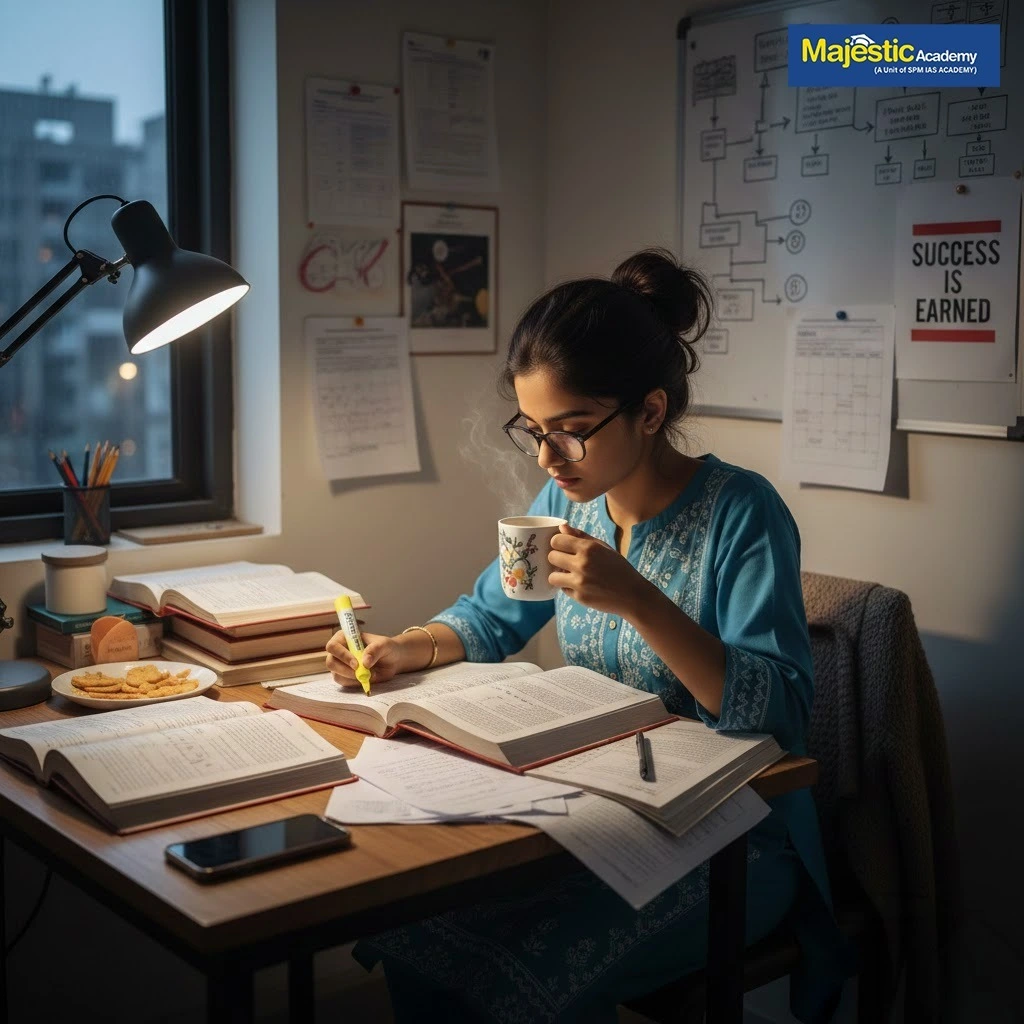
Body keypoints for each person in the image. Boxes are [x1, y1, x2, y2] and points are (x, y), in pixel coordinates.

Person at [329, 248, 849, 1023]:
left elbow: (778, 714)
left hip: (735, 838)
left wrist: (642, 601)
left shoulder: (744, 513)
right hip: (605, 812)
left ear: (649, 411)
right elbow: (492, 615)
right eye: (533, 429)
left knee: (525, 975)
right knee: (420, 931)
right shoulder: (567, 497)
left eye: (570, 432)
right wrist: (409, 646)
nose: (547, 457)